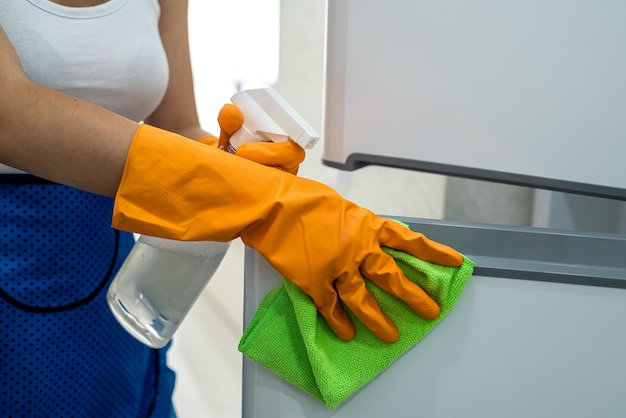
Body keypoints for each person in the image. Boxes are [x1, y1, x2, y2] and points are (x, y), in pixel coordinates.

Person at [0, 1, 463, 416]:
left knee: (125, 396)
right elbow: (9, 115)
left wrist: (229, 162)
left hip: (112, 262)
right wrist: (249, 196)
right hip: (12, 251)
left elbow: (174, 122)